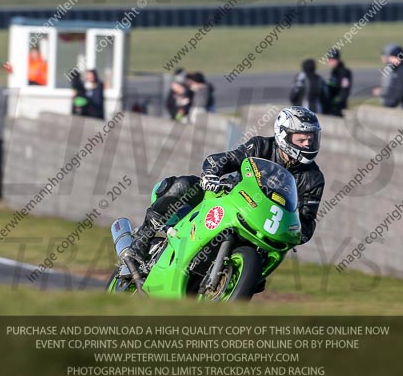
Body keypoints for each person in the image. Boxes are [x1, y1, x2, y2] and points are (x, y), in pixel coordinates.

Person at [129, 106, 325, 264]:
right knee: (183, 185)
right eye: (301, 139)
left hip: (265, 230)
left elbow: (307, 222)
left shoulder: (314, 178)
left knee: (261, 272)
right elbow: (227, 159)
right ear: (283, 135)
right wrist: (211, 174)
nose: (308, 144)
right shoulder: (260, 146)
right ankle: (143, 238)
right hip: (232, 200)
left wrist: (294, 231)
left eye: (311, 138)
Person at [323, 48, 352, 117]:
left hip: (339, 107)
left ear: (337, 60)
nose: (329, 61)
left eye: (331, 60)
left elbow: (344, 90)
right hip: (331, 106)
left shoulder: (344, 72)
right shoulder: (334, 72)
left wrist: (337, 103)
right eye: (329, 59)